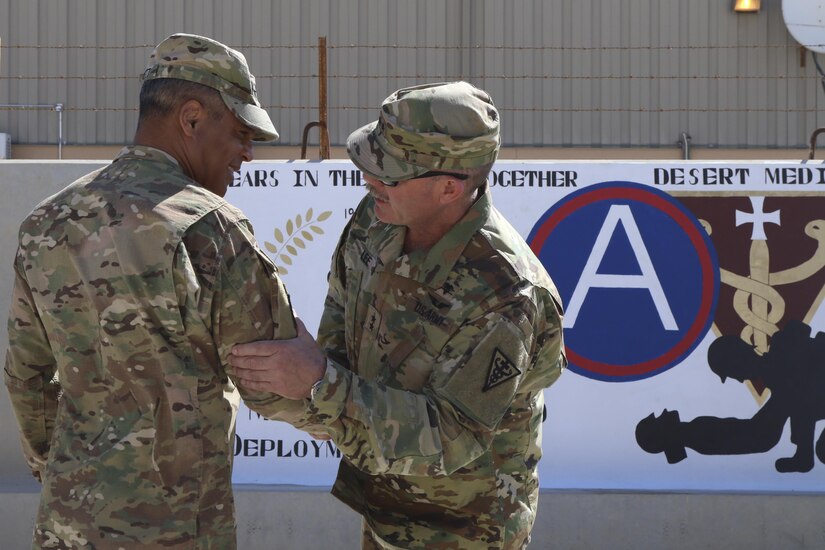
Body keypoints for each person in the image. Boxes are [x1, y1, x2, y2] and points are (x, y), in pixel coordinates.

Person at [231, 81, 567, 549]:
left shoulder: (505, 294)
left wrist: (316, 383)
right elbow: (336, 348)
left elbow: (453, 435)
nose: (368, 179)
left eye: (387, 173)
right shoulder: (378, 220)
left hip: (463, 529)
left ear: (449, 187)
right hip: (384, 505)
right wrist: (274, 383)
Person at [3, 33, 304, 548]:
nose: (248, 153)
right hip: (176, 528)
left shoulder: (46, 222)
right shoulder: (212, 228)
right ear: (191, 119)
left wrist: (61, 470)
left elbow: (25, 375)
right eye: (239, 132)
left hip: (67, 523)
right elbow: (272, 386)